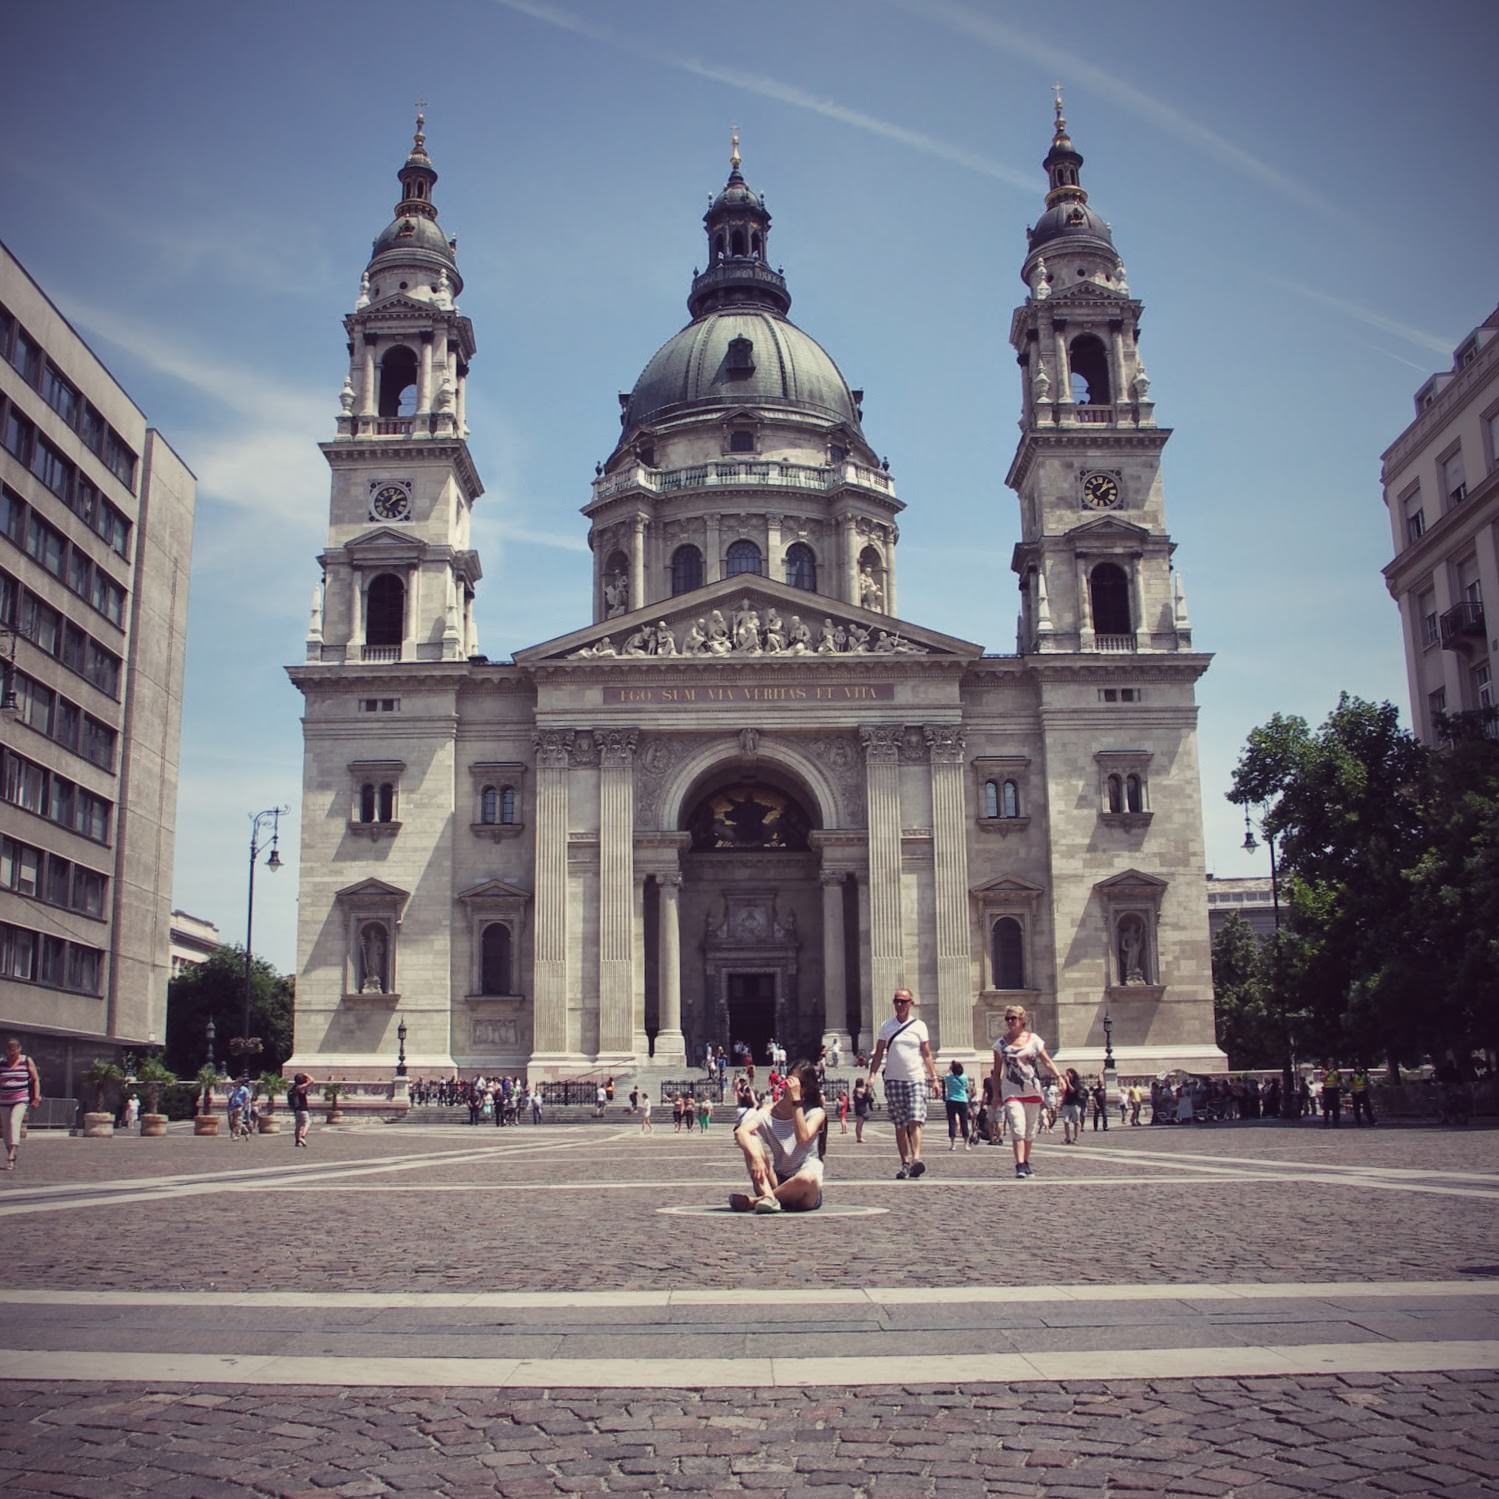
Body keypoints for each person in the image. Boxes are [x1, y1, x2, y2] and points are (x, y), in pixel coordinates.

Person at [729, 1060, 827, 1213]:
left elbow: (802, 1138)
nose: (791, 1086)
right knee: (751, 1140)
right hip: (776, 1179)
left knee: (806, 1179)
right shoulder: (769, 1111)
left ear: (806, 1088)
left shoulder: (816, 1113)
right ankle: (769, 1198)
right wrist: (756, 1158)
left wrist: (796, 1102)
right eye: (790, 1080)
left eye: (797, 1083)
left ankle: (761, 1200)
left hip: (805, 1189)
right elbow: (740, 1132)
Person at [867, 989, 939, 1180]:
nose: (900, 1005)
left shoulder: (920, 1026)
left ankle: (916, 1158)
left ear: (911, 1003)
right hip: (893, 1079)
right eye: (897, 1001)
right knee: (900, 1125)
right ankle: (905, 1162)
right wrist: (872, 1075)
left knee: (915, 1120)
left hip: (916, 1079)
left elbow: (926, 1053)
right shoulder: (886, 1026)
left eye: (903, 1001)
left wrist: (934, 1078)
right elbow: (879, 1052)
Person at [992, 1005, 1063, 1180]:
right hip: (1011, 1091)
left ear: (1023, 1020)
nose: (1010, 1022)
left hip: (1032, 1089)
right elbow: (996, 1071)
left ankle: (1026, 1161)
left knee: (1030, 1131)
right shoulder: (1000, 1044)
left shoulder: (1034, 1040)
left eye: (1013, 1018)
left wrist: (1059, 1076)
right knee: (1018, 1127)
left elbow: (1046, 1061)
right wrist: (995, 1095)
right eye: (1007, 1019)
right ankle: (1020, 1165)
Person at [0, 1036, 41, 1171]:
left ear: (19, 1049)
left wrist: (36, 1097)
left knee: (14, 1122)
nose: (11, 1054)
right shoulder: (2, 1063)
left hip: (20, 1099)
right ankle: (11, 1151)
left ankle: (11, 1157)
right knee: (6, 1130)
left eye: (14, 1051)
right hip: (4, 1100)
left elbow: (35, 1079)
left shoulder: (26, 1060)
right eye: (9, 1051)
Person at [943, 1061, 971, 1151]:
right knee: (964, 1122)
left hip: (951, 1100)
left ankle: (953, 1144)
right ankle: (966, 1144)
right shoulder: (964, 1077)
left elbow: (946, 1076)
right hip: (962, 1100)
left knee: (951, 1122)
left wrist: (950, 1069)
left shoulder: (948, 1077)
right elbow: (967, 1087)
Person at [287, 1072, 316, 1148]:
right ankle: (302, 1137)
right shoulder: (300, 1088)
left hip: (297, 1109)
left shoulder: (294, 1088)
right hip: (303, 1109)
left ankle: (297, 1141)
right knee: (307, 1122)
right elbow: (312, 1081)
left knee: (298, 1126)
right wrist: (307, 1075)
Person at [1058, 1068, 1086, 1144]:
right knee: (1065, 1121)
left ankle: (1076, 1138)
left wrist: (1068, 1082)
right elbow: (1064, 1094)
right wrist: (1062, 1104)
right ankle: (1067, 1138)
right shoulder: (1065, 1083)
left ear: (1072, 1074)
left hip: (1075, 1104)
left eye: (1068, 1074)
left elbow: (1072, 1090)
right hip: (1067, 1104)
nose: (1066, 1075)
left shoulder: (1076, 1082)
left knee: (1076, 1122)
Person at [1322, 1063, 1343, 1128]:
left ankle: (1336, 1122)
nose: (1330, 1066)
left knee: (1336, 1107)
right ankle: (1326, 1122)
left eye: (1332, 1064)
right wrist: (1328, 1073)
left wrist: (1341, 1088)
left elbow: (1339, 1080)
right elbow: (1322, 1079)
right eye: (1329, 1064)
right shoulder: (1324, 1071)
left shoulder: (1337, 1072)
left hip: (1335, 1090)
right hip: (1327, 1090)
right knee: (1326, 1108)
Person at [852, 1077, 872, 1142]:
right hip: (860, 1108)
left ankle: (859, 1137)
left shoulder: (856, 1090)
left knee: (860, 1123)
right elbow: (865, 1093)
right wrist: (867, 1087)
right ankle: (859, 1137)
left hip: (859, 1107)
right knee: (859, 1124)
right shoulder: (859, 1090)